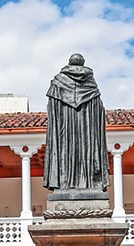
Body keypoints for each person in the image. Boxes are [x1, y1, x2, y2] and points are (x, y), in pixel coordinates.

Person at [43, 53, 110, 193]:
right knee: (86, 148)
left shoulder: (57, 83)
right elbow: (98, 110)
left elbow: (52, 110)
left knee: (64, 149)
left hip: (64, 132)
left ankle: (64, 181)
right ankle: (89, 181)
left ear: (69, 63)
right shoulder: (91, 84)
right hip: (87, 132)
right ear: (82, 64)